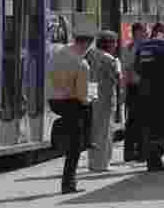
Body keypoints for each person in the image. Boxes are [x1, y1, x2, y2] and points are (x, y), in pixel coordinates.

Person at [48, 23, 96, 194]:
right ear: (85, 44)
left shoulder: (59, 53)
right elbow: (83, 96)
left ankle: (79, 139)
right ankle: (68, 184)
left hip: (54, 101)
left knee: (72, 138)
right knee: (75, 148)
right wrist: (89, 99)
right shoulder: (82, 64)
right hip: (71, 103)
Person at [134, 22, 164, 172]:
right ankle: (156, 159)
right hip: (160, 91)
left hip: (144, 91)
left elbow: (137, 68)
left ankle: (150, 160)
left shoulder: (143, 45)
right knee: (161, 125)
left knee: (148, 125)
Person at [88, 30, 122, 171]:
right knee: (105, 131)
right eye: (114, 42)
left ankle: (92, 162)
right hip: (106, 97)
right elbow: (117, 78)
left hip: (92, 95)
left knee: (93, 130)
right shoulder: (109, 59)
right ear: (109, 44)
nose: (116, 45)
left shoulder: (90, 55)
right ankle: (102, 164)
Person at [121, 22, 147, 162]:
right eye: (144, 31)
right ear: (137, 32)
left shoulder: (143, 47)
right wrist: (124, 90)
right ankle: (131, 152)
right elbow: (126, 70)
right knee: (133, 121)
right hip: (134, 87)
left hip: (141, 86)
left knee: (139, 121)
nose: (146, 34)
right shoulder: (129, 48)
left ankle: (139, 152)